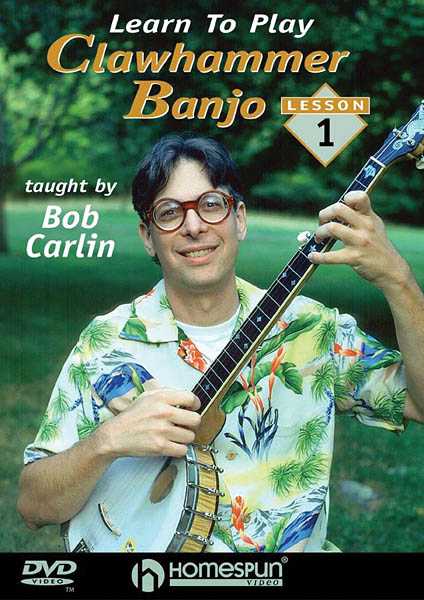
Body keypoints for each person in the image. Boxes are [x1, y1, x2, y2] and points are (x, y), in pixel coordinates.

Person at [17, 134, 424, 552]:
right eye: (169, 213)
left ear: (239, 218)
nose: (194, 226)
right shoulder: (106, 343)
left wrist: (398, 280)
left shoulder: (311, 329)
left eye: (211, 205)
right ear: (147, 236)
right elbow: (34, 506)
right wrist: (106, 442)